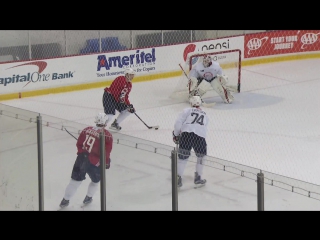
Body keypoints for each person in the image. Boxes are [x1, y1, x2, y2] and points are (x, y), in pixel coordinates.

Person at [59, 113, 113, 208]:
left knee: (75, 181)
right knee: (96, 181)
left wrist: (81, 154)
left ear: (95, 120)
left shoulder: (86, 129)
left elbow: (79, 144)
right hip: (95, 161)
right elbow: (106, 152)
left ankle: (65, 200)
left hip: (82, 159)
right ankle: (88, 197)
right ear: (105, 122)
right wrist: (106, 162)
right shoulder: (107, 135)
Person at [172, 95, 209, 188]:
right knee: (201, 156)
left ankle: (178, 177)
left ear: (191, 103)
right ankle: (198, 177)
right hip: (200, 137)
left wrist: (176, 134)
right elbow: (204, 127)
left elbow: (178, 123)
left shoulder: (187, 110)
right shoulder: (205, 114)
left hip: (187, 134)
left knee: (183, 157)